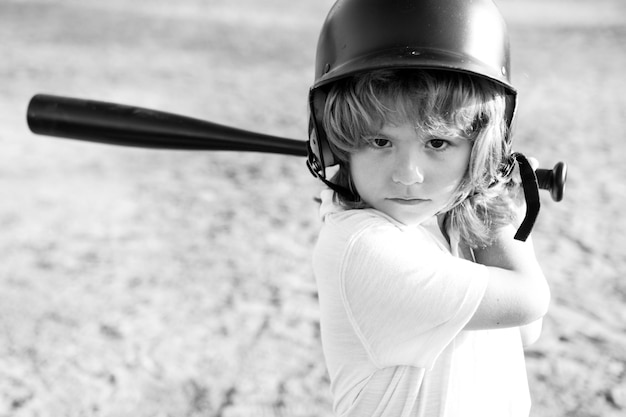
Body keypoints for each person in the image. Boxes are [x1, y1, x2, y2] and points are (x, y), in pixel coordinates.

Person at [305, 1, 551, 416]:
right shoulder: (362, 246)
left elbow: (524, 333)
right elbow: (527, 302)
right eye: (380, 142)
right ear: (337, 146)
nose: (407, 175)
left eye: (437, 143)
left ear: (480, 151)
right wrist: (498, 202)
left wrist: (481, 195)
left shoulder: (438, 218)